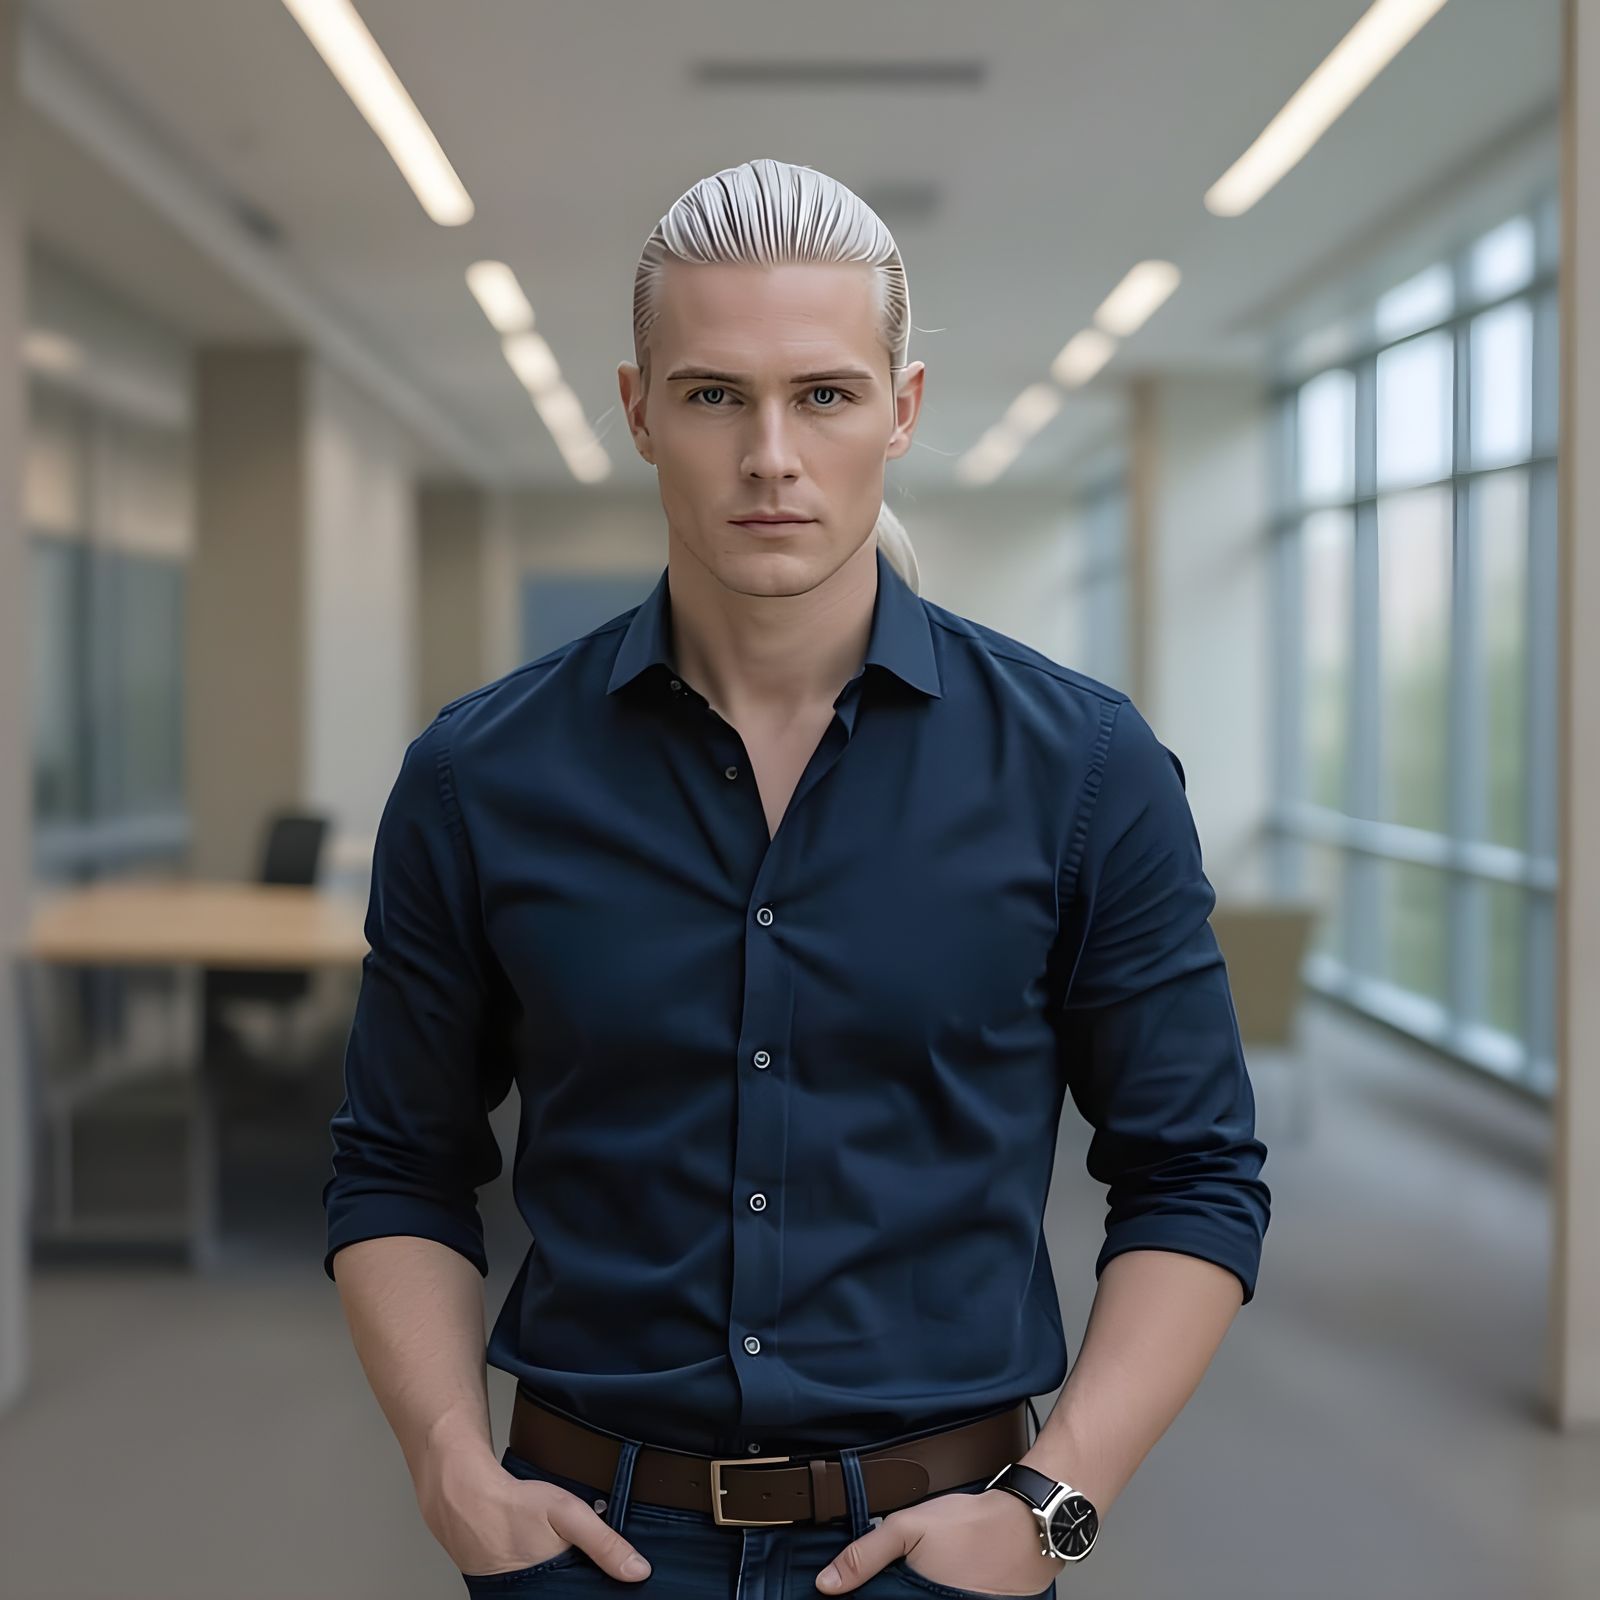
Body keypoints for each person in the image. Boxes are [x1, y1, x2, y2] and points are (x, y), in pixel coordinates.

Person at [322, 157, 1271, 1599]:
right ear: (640, 412)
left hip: (938, 1547)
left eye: (823, 395)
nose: (772, 454)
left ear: (903, 408)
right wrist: (452, 1464)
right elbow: (396, 1163)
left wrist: (1057, 1504)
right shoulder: (477, 778)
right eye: (715, 396)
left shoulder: (1083, 771)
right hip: (584, 1544)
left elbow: (1194, 1176)